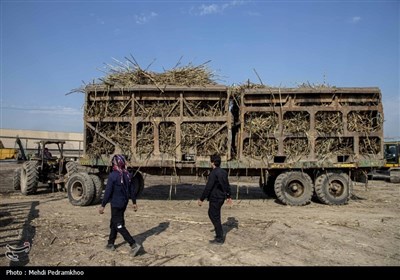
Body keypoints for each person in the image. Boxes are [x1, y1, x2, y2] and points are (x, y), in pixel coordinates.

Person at [98, 154, 141, 256]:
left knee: (119, 225)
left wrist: (103, 205)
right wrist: (134, 202)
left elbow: (108, 191)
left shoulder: (113, 175)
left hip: (116, 204)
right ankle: (110, 243)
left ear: (115, 163)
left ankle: (133, 244)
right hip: (123, 203)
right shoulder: (127, 174)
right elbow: (132, 190)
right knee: (114, 221)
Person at [198, 154, 232, 245]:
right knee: (213, 214)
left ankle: (220, 238)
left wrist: (201, 199)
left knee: (214, 216)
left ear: (212, 162)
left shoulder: (213, 173)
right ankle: (218, 233)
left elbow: (208, 187)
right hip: (221, 198)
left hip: (215, 198)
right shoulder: (224, 172)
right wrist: (228, 196)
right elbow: (227, 185)